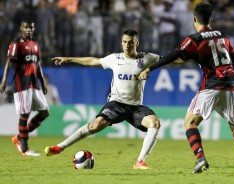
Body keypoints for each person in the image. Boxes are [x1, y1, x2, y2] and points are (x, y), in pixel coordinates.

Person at [138, 3, 234, 173]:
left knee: (190, 123)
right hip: (232, 84)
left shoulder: (194, 39)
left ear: (194, 19)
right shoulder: (223, 36)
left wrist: (150, 68)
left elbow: (175, 55)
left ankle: (201, 159)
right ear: (211, 19)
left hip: (211, 85)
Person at [44, 29, 161, 170]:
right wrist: (69, 59)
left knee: (154, 123)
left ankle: (139, 162)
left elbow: (171, 59)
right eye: (124, 42)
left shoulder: (146, 58)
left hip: (135, 106)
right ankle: (59, 147)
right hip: (117, 102)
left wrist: (190, 55)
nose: (127, 45)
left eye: (130, 42)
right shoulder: (115, 59)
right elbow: (93, 61)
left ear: (137, 43)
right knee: (95, 126)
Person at [0, 19, 49, 156]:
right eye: (26, 27)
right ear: (21, 28)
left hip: (34, 84)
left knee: (44, 112)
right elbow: (8, 62)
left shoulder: (36, 44)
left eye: (31, 27)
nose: (29, 30)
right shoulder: (16, 43)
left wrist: (43, 82)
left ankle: (20, 137)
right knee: (25, 114)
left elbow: (37, 64)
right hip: (22, 83)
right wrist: (4, 80)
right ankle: (25, 149)